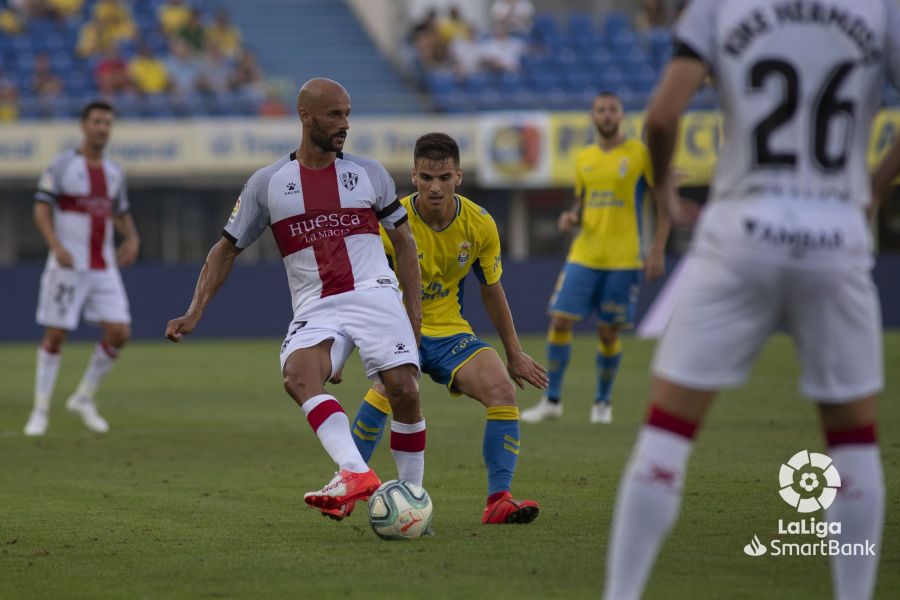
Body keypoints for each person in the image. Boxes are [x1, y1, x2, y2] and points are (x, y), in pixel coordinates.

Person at [603, 1, 898, 598]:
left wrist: (663, 190)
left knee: (666, 433)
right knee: (853, 440)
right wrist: (873, 187)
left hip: (741, 232)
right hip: (834, 237)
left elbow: (662, 118)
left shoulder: (720, 5)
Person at [165, 78, 425, 512]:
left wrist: (412, 315)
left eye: (347, 114)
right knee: (298, 375)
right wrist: (195, 311)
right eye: (334, 115)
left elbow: (404, 243)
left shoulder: (369, 174)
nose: (344, 124)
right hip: (317, 305)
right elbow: (225, 248)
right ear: (305, 117)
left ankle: (413, 497)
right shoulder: (268, 184)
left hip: (373, 294)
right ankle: (355, 471)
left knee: (404, 390)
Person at [330, 133, 548, 524]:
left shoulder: (480, 224)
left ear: (459, 177)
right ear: (413, 175)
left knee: (501, 389)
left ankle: (498, 500)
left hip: (449, 331)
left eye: (444, 177)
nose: (435, 186)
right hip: (396, 325)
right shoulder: (389, 222)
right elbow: (358, 289)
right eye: (427, 177)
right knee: (389, 388)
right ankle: (349, 486)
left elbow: (492, 291)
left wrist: (514, 353)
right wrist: (341, 348)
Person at [522, 92, 671, 425]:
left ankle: (602, 404)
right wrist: (571, 217)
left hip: (623, 258)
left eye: (612, 110)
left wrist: (658, 248)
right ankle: (552, 400)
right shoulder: (584, 157)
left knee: (608, 333)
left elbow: (663, 200)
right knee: (560, 320)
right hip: (585, 253)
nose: (606, 115)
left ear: (621, 115)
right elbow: (582, 201)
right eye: (600, 110)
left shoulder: (638, 154)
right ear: (592, 116)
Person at [24, 100, 140, 436]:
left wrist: (132, 237)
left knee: (120, 332)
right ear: (84, 126)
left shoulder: (114, 173)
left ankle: (84, 397)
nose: (102, 128)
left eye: (107, 123)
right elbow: (41, 209)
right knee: (56, 334)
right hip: (68, 267)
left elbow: (119, 211)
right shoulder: (62, 165)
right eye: (97, 122)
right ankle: (40, 410)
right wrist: (56, 246)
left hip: (103, 267)